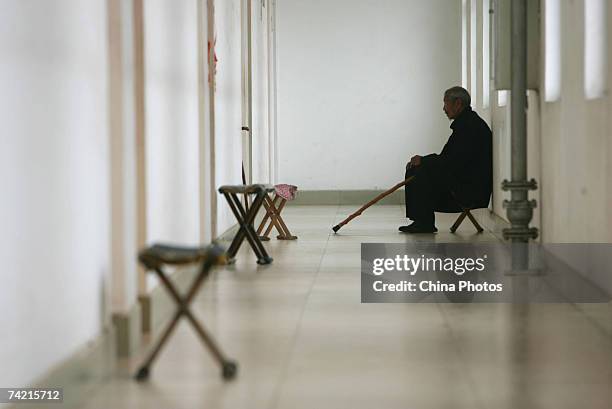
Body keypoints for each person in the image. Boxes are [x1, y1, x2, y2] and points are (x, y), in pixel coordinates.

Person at [400, 86, 492, 233]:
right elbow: (450, 160)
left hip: (470, 190)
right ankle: (421, 221)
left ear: (458, 103)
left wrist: (424, 161)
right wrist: (424, 161)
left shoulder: (470, 127)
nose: (444, 108)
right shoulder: (466, 124)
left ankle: (423, 222)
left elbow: (453, 162)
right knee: (416, 168)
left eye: (446, 103)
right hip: (464, 181)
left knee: (419, 171)